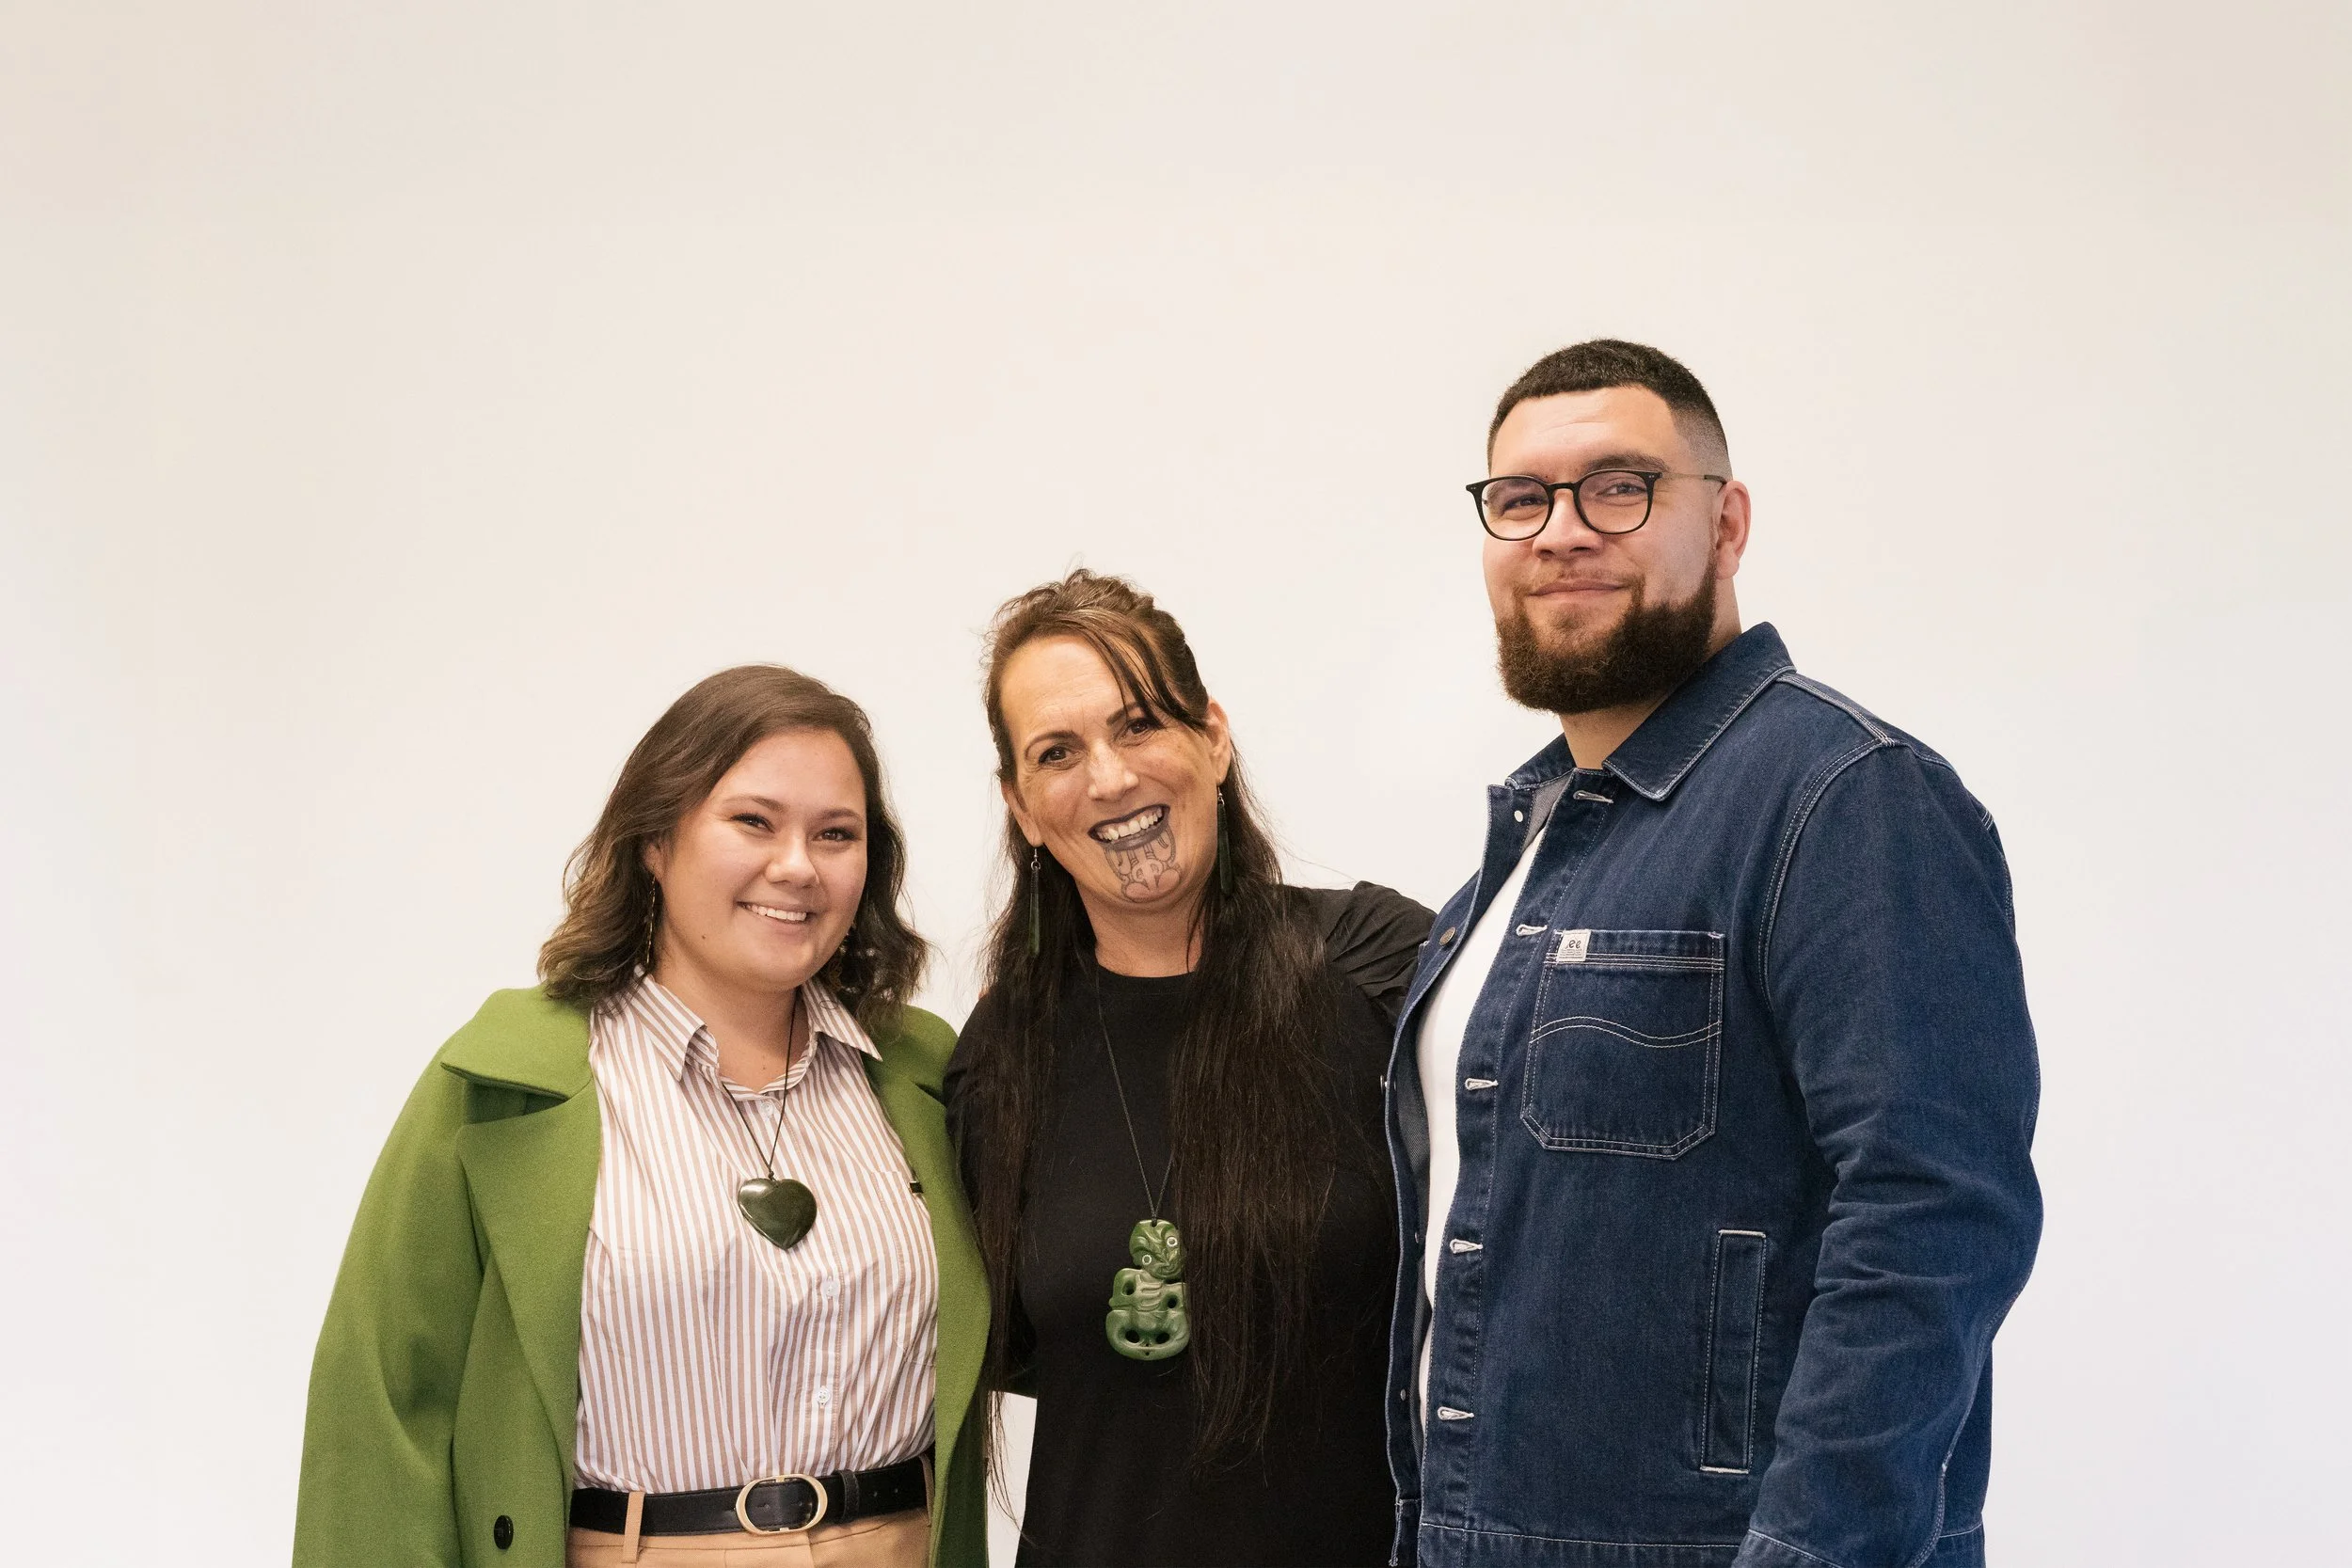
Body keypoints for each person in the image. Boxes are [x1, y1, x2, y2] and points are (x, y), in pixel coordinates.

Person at [1387, 341, 2042, 1568]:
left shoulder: (1847, 796)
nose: (1561, 531)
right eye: (1521, 497)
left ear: (1727, 520)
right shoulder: (1522, 845)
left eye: (1620, 486)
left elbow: (1933, 1220)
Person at [295, 666, 989, 1568]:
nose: (797, 865)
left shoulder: (925, 1077)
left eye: (836, 834)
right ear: (655, 840)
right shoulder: (504, 1083)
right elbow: (385, 1407)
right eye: (754, 820)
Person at [947, 570, 1431, 1567]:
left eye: (1138, 724)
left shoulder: (1376, 968)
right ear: (1023, 806)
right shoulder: (1000, 1061)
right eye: (1057, 752)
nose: (1111, 777)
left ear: (1212, 735)